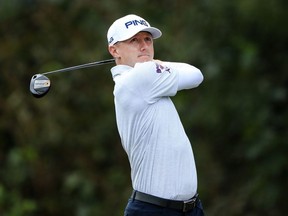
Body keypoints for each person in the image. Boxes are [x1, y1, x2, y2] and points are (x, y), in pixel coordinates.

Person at [107, 14, 205, 216]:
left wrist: (154, 63)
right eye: (134, 40)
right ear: (114, 50)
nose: (144, 46)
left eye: (147, 39)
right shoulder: (139, 79)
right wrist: (155, 63)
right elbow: (196, 75)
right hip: (154, 210)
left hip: (191, 208)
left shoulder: (143, 77)